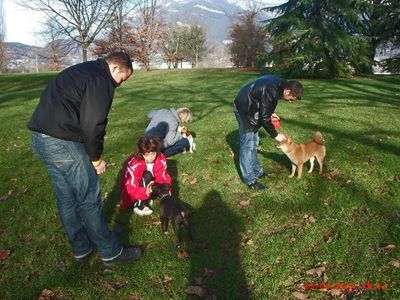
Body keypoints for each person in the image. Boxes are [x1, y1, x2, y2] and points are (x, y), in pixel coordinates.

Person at [28, 52, 142, 266]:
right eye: (122, 79)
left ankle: (81, 249)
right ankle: (111, 253)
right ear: (116, 68)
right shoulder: (101, 79)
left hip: (40, 138)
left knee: (67, 198)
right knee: (89, 199)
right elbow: (93, 124)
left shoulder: (83, 70)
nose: (120, 85)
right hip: (61, 142)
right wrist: (96, 158)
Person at [233, 75, 303, 190]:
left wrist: (270, 112)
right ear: (287, 91)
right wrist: (275, 134)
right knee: (247, 146)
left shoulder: (281, 85)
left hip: (252, 106)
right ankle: (250, 180)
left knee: (254, 143)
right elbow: (264, 118)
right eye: (291, 98)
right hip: (243, 108)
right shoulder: (272, 89)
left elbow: (265, 102)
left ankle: (257, 171)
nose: (290, 101)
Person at [120, 136, 172, 216]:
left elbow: (163, 176)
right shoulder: (134, 163)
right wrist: (145, 192)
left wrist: (166, 190)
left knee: (161, 185)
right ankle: (139, 205)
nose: (151, 157)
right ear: (141, 153)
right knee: (147, 175)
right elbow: (130, 186)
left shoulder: (160, 158)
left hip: (149, 184)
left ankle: (151, 197)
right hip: (133, 190)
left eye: (153, 154)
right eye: (147, 154)